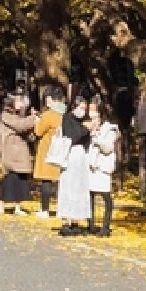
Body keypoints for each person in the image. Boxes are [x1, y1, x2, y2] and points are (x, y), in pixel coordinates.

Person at [0, 89, 37, 214]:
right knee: (10, 179)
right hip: (11, 152)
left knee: (21, 180)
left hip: (20, 152)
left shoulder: (21, 116)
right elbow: (20, 125)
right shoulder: (6, 115)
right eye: (18, 100)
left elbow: (25, 129)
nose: (21, 103)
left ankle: (18, 206)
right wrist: (33, 118)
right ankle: (0, 202)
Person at [53, 97, 91, 237]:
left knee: (79, 188)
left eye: (84, 108)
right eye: (81, 107)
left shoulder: (83, 120)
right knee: (68, 187)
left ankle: (76, 220)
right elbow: (72, 136)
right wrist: (85, 129)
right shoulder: (68, 119)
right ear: (74, 106)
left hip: (81, 157)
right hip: (70, 155)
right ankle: (65, 221)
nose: (83, 111)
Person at [86, 98, 120, 237]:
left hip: (103, 167)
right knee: (90, 195)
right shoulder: (90, 127)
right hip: (92, 165)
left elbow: (108, 147)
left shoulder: (109, 129)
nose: (92, 115)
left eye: (94, 112)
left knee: (106, 196)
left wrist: (97, 137)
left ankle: (105, 226)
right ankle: (91, 223)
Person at [32, 87, 65, 220]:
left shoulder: (49, 115)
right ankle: (61, 209)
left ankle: (45, 209)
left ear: (50, 99)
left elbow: (38, 131)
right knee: (60, 183)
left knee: (46, 181)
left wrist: (36, 121)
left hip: (48, 151)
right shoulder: (64, 113)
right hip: (61, 151)